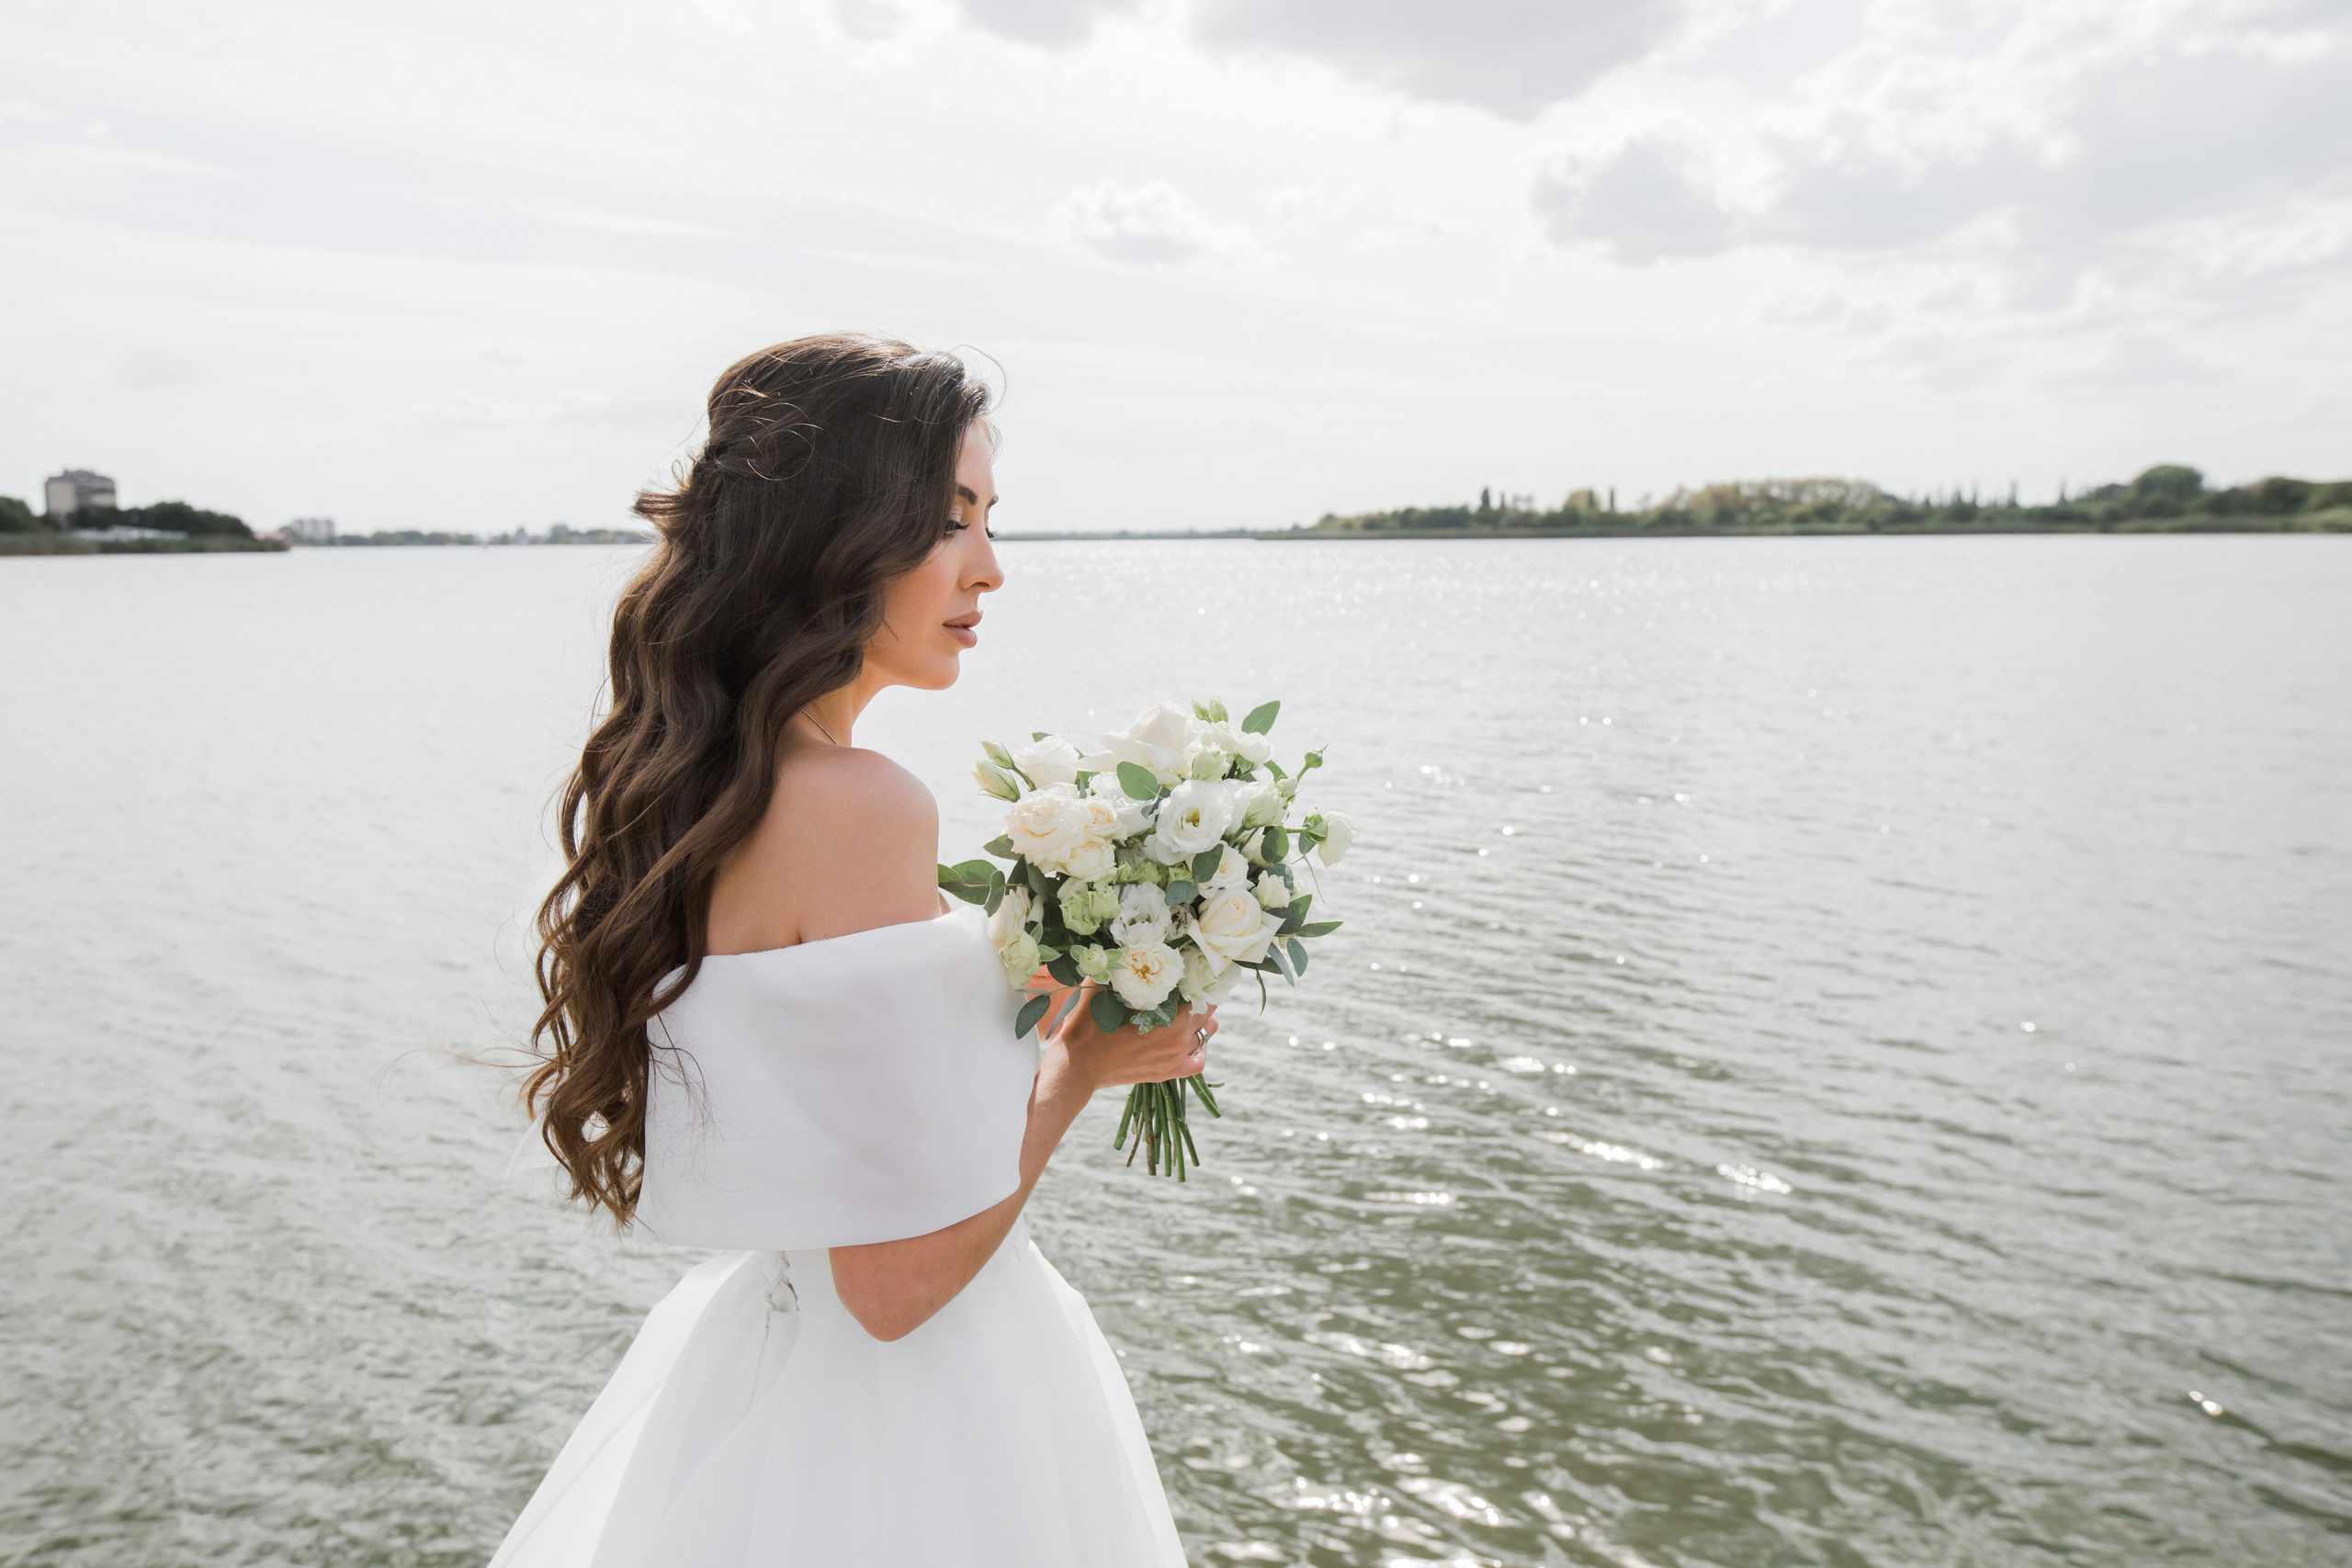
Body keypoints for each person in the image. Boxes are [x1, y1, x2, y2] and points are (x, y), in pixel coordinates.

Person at [492, 333, 1210, 1567]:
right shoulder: (860, 804)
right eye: (952, 523)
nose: (990, 568)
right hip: (912, 1425)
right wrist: (1082, 1066)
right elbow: (893, 1286)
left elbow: (828, 1118)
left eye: (991, 521)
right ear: (834, 535)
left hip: (775, 1360)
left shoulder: (719, 789)